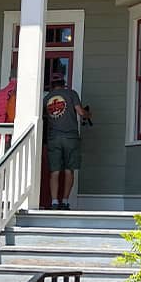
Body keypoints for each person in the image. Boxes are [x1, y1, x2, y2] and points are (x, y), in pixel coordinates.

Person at [42, 72, 90, 209]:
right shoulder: (71, 94)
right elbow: (80, 112)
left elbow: (43, 117)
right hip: (71, 137)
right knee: (69, 170)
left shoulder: (47, 98)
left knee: (55, 171)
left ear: (52, 85)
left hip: (53, 138)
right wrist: (88, 114)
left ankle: (54, 203)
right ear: (63, 83)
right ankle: (65, 201)